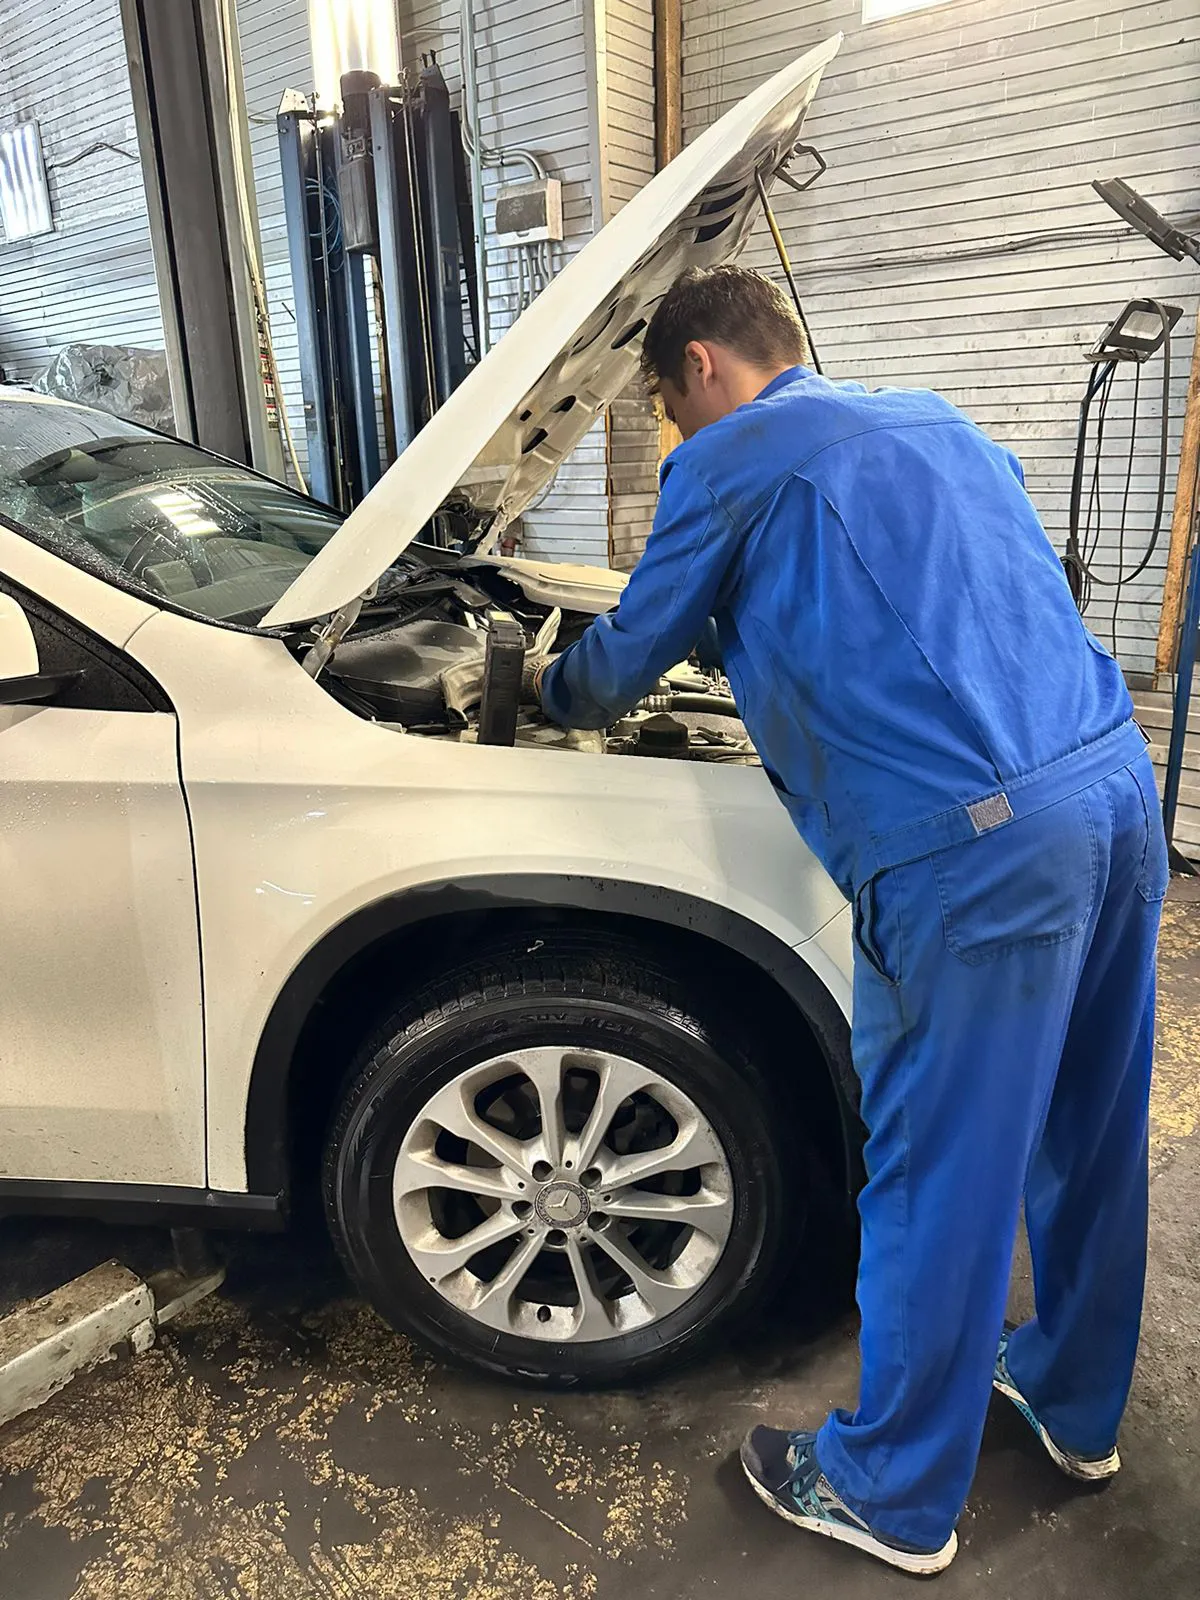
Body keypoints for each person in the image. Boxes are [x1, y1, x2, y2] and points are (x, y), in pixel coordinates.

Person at [531, 264, 1167, 1576]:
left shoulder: (729, 461)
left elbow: (623, 661)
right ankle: (1073, 1400)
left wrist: (545, 686)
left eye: (669, 407)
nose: (677, 431)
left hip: (977, 852)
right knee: (1090, 1127)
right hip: (1112, 787)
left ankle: (891, 1490)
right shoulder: (937, 419)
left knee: (939, 1168)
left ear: (701, 365)